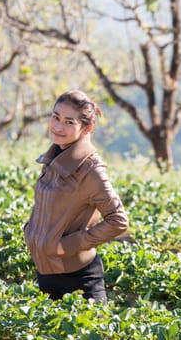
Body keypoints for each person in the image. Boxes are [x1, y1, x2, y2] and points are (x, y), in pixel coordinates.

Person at [23, 90, 129, 303]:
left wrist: (66, 245)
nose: (58, 126)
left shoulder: (91, 170)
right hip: (46, 273)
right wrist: (31, 231)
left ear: (87, 128)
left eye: (69, 122)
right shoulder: (55, 156)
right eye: (55, 117)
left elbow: (119, 221)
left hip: (80, 280)